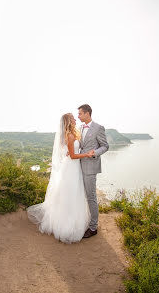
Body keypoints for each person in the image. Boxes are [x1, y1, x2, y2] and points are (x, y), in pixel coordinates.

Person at [26, 113, 95, 244]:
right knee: (70, 194)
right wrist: (87, 154)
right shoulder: (69, 135)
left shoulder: (73, 133)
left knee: (76, 193)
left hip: (74, 167)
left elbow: (71, 152)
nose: (76, 119)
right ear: (69, 121)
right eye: (73, 118)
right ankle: (67, 226)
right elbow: (73, 156)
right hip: (71, 167)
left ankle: (75, 221)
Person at [77, 104, 109, 238]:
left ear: (87, 114)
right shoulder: (79, 128)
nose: (78, 116)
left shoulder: (98, 128)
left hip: (90, 167)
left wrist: (94, 152)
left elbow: (105, 146)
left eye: (80, 114)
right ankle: (85, 220)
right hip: (78, 166)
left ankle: (93, 227)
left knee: (91, 197)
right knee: (82, 196)